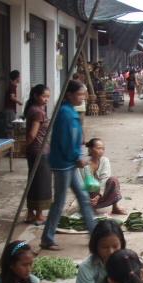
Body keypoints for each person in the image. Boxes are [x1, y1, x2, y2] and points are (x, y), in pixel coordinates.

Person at [40, 80, 95, 251]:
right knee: (59, 202)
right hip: (64, 164)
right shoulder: (65, 113)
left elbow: (74, 136)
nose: (82, 97)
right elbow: (66, 141)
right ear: (69, 94)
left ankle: (95, 235)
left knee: (83, 197)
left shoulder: (69, 110)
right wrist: (76, 157)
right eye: (79, 94)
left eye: (83, 94)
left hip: (68, 163)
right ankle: (47, 238)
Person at [23, 84, 52, 225]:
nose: (46, 99)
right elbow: (32, 134)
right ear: (36, 96)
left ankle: (30, 213)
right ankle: (39, 215)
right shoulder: (38, 112)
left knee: (33, 182)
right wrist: (26, 146)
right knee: (41, 183)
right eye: (44, 96)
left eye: (48, 97)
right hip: (40, 151)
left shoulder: (33, 109)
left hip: (35, 151)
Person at [80, 138, 126, 215]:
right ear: (90, 149)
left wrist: (99, 195)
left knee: (113, 180)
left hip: (101, 194)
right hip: (89, 197)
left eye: (103, 149)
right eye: (98, 148)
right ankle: (91, 208)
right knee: (91, 185)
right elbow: (82, 184)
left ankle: (115, 207)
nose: (101, 151)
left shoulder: (105, 160)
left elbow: (105, 178)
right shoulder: (84, 164)